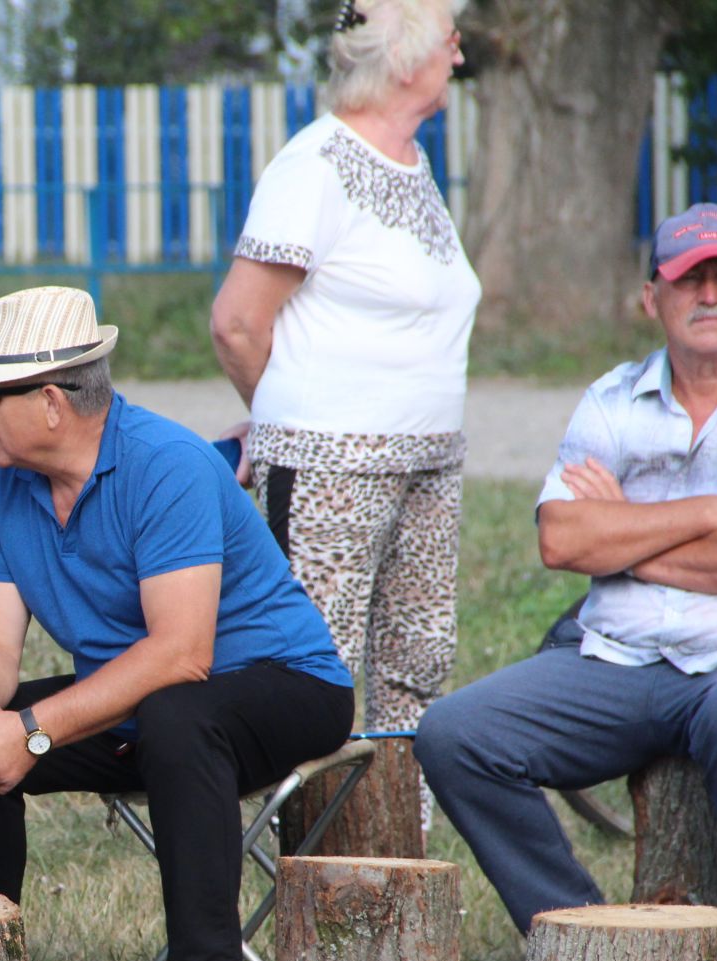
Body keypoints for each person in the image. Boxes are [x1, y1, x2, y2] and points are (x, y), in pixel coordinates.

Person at [415, 204, 717, 961]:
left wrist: (632, 538)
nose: (709, 294)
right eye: (689, 280)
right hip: (620, 656)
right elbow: (563, 542)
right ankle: (586, 939)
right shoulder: (612, 397)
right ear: (652, 298)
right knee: (458, 732)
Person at [0, 285, 355, 961]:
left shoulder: (167, 464)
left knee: (177, 717)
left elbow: (182, 655)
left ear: (51, 401)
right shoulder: (2, 481)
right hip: (137, 698)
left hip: (285, 684)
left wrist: (34, 729)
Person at [209, 0, 479, 734]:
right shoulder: (315, 164)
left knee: (415, 664)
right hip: (333, 468)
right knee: (315, 676)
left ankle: (397, 843)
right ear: (406, 58)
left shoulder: (412, 164)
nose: (459, 58)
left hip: (428, 461)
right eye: (451, 42)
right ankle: (316, 845)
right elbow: (237, 323)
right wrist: (286, 417)